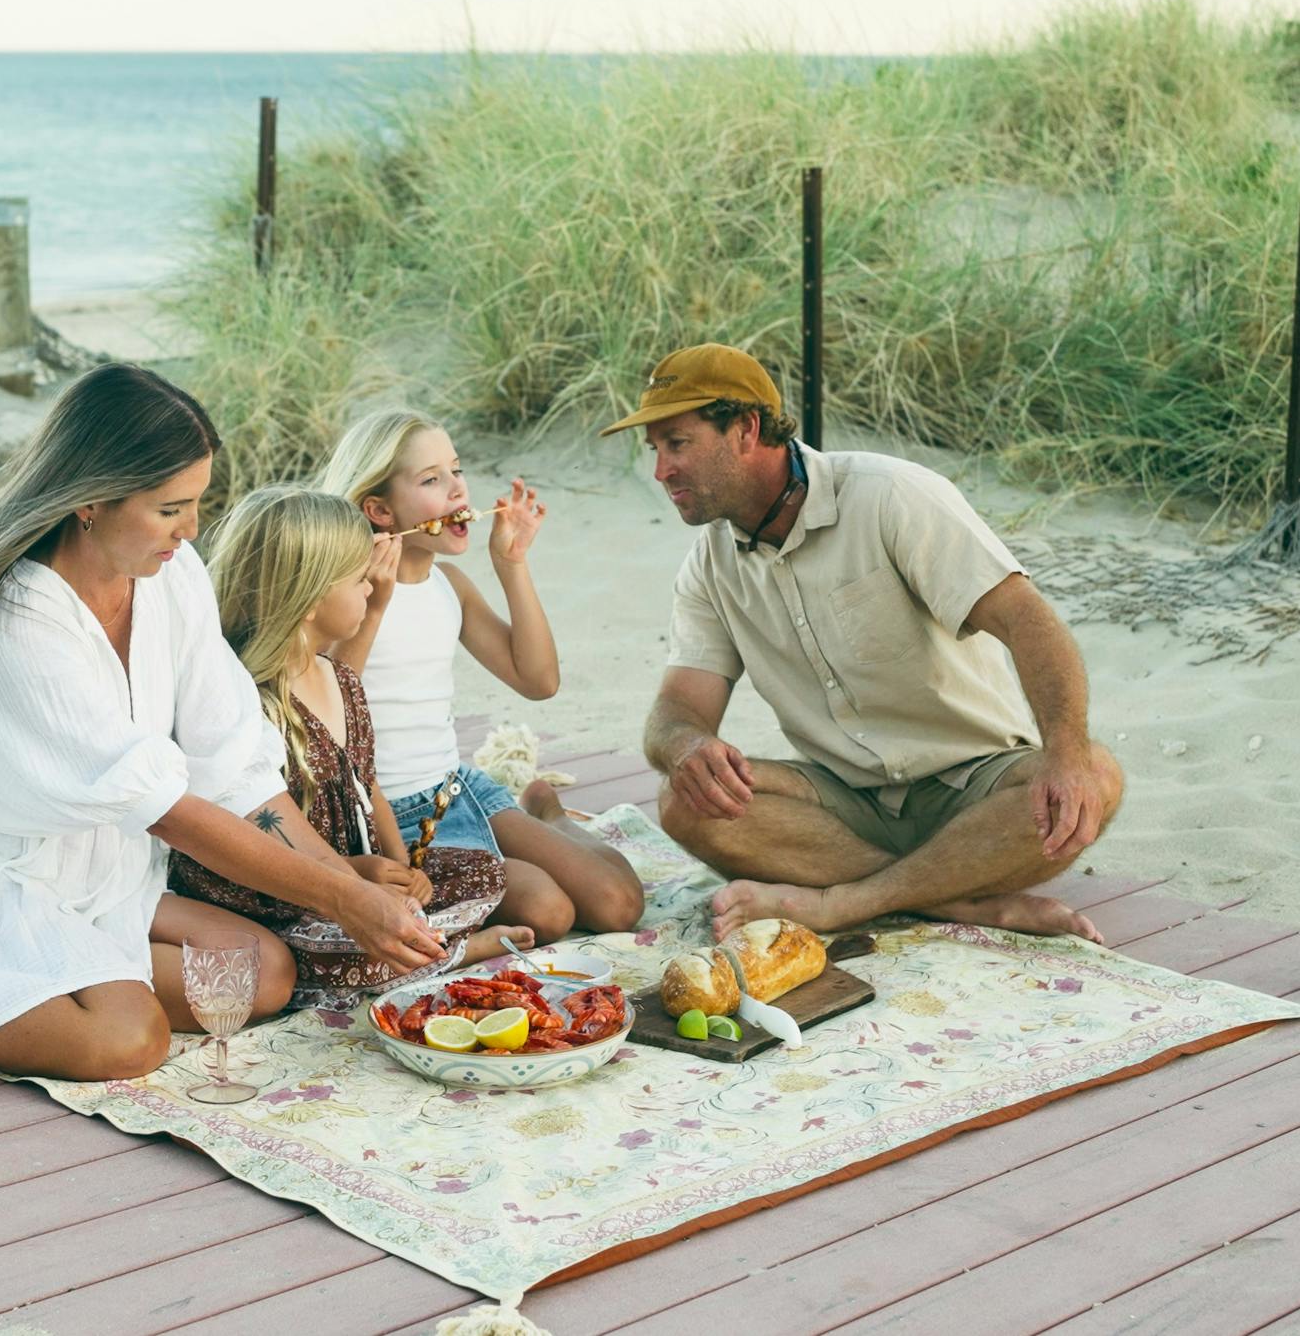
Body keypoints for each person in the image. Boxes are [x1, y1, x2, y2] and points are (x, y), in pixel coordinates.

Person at [0, 364, 445, 1083]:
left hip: (111, 878)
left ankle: (63, 983)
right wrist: (341, 897)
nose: (192, 530)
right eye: (169, 509)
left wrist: (349, 878)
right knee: (130, 1041)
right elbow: (169, 811)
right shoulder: (21, 617)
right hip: (7, 880)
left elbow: (238, 769)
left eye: (198, 504)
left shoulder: (173, 575)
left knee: (261, 976)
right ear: (91, 501)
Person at [603, 343, 1124, 942]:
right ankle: (960, 902)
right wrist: (688, 744)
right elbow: (677, 710)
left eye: (678, 444)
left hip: (973, 785)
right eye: (657, 450)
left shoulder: (888, 496)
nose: (661, 471)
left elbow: (1028, 621)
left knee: (1098, 775)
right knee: (683, 800)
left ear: (746, 429)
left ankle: (845, 903)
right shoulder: (710, 565)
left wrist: (1064, 753)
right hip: (842, 805)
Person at [169, 485, 535, 1009]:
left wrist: (399, 865)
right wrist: (353, 883)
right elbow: (257, 836)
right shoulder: (250, 697)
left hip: (348, 876)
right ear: (313, 594)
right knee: (347, 949)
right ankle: (441, 953)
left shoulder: (342, 679)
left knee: (481, 870)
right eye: (361, 579)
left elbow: (369, 786)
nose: (372, 589)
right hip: (279, 899)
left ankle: (421, 949)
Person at [317, 408, 645, 939]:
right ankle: (527, 827)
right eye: (431, 480)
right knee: (548, 911)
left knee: (619, 903)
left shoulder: (450, 584)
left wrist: (511, 564)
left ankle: (548, 813)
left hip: (455, 789)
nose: (457, 491)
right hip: (390, 817)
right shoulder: (345, 595)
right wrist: (373, 605)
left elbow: (538, 681)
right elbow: (328, 712)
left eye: (457, 470)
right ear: (378, 509)